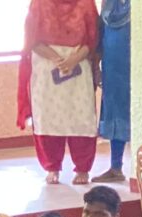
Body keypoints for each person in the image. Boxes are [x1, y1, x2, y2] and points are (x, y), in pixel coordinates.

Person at [17, 0, 100, 185]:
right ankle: (52, 167)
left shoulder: (86, 3)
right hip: (46, 67)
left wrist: (73, 60)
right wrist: (57, 59)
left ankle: (83, 168)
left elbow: (92, 38)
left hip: (78, 66)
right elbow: (32, 40)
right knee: (48, 118)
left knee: (81, 118)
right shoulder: (39, 4)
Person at [90, 0, 130, 183]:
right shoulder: (108, 4)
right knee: (115, 114)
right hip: (113, 71)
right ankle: (115, 167)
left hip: (136, 70)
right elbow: (100, 34)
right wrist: (96, 66)